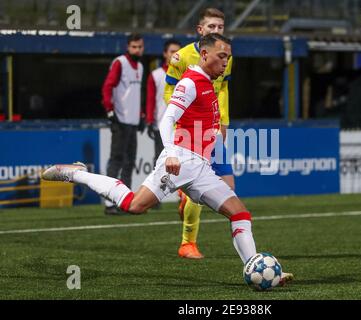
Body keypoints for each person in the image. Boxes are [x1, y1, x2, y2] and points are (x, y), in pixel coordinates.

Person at [42, 34, 293, 286]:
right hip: (181, 160)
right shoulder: (191, 81)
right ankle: (77, 174)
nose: (225, 62)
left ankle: (255, 268)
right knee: (134, 205)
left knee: (240, 213)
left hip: (201, 168)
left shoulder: (208, 82)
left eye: (228, 57)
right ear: (204, 55)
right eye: (221, 56)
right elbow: (167, 119)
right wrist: (171, 152)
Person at [164, 7, 234, 259]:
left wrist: (223, 121)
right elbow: (169, 91)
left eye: (220, 27)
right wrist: (179, 123)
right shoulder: (181, 57)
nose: (216, 31)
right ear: (200, 30)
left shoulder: (226, 54)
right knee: (199, 181)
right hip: (190, 129)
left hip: (213, 128)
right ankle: (187, 244)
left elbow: (223, 90)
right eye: (212, 27)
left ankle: (186, 195)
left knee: (229, 188)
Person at [101, 33, 146, 215]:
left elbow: (136, 95)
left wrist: (141, 115)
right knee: (116, 161)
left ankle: (124, 202)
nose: (137, 50)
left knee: (129, 163)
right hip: (120, 119)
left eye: (140, 47)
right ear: (128, 47)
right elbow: (107, 86)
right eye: (134, 46)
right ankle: (109, 203)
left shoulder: (141, 66)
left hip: (133, 121)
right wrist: (110, 110)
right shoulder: (120, 63)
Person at [146, 39, 182, 173]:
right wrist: (149, 121)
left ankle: (180, 194)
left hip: (182, 126)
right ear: (165, 54)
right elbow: (150, 100)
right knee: (161, 161)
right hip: (162, 125)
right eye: (172, 51)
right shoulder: (156, 75)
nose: (176, 55)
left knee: (182, 162)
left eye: (178, 52)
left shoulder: (187, 74)